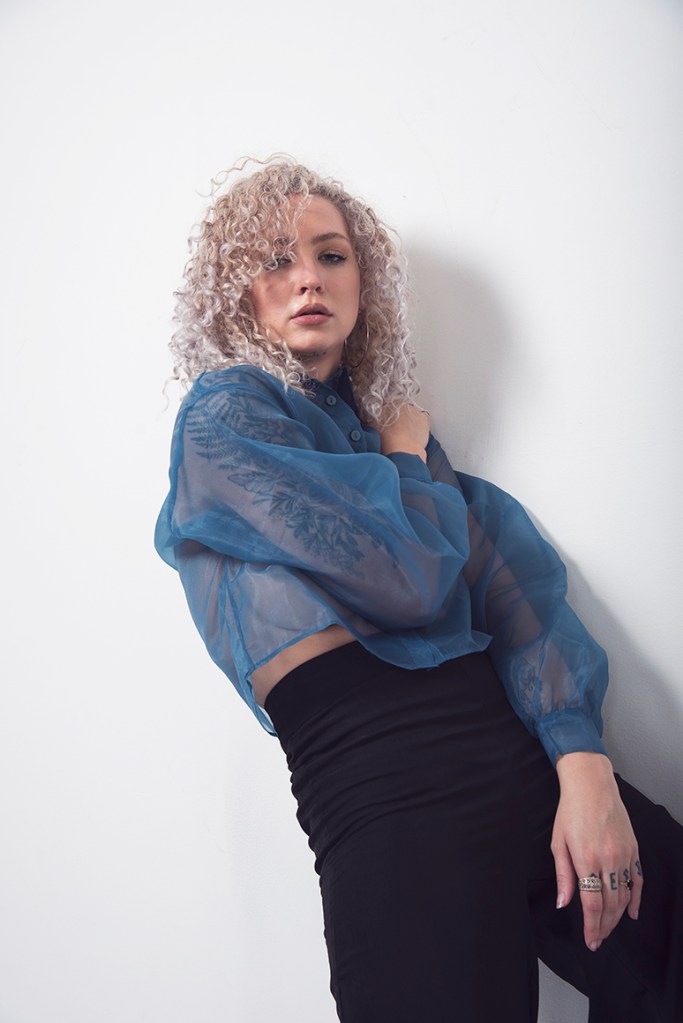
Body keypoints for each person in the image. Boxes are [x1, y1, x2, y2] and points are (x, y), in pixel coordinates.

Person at [155, 158, 682, 1022]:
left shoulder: (396, 451)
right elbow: (408, 579)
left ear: (363, 285)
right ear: (233, 293)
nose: (308, 278)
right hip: (389, 808)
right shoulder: (223, 424)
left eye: (331, 256)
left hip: (523, 767)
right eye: (275, 260)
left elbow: (516, 599)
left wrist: (583, 765)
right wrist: (404, 454)